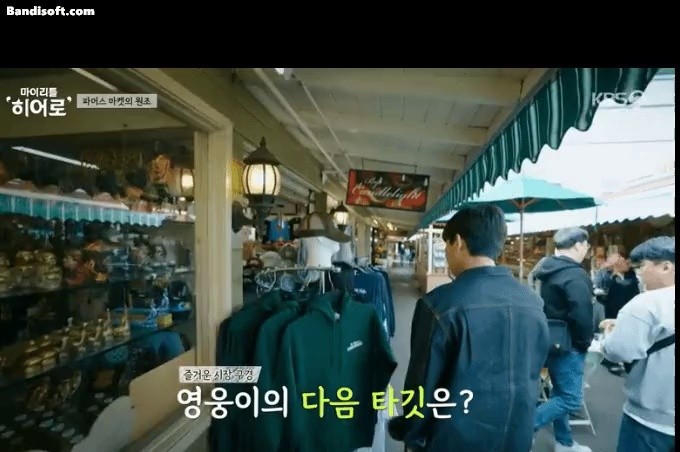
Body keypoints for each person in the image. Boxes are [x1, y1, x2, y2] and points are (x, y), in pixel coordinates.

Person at [387, 205, 550, 452]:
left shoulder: (439, 305)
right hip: (516, 436)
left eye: (446, 245)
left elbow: (423, 384)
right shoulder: (533, 302)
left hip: (454, 439)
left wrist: (412, 433)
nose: (446, 254)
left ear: (458, 242)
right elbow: (534, 371)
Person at [599, 236, 675, 452]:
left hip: (651, 420)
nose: (639, 273)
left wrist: (609, 334)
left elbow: (618, 351)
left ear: (666, 267)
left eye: (642, 266)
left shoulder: (647, 303)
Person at [533, 227, 594, 452]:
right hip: (569, 343)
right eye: (586, 245)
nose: (586, 250)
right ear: (578, 245)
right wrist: (584, 342)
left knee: (559, 392)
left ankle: (564, 442)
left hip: (547, 338)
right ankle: (526, 425)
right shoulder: (575, 274)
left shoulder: (543, 268)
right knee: (571, 398)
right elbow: (581, 313)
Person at [593, 248, 640, 374]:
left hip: (629, 309)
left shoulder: (631, 275)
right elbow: (600, 290)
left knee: (626, 335)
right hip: (612, 309)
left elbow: (634, 289)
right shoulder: (606, 275)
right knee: (611, 333)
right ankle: (610, 360)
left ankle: (627, 361)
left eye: (622, 259)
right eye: (620, 260)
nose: (625, 263)